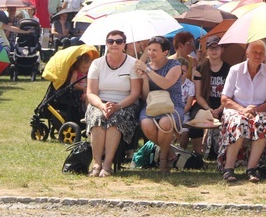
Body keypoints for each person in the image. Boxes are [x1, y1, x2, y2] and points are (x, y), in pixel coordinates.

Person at [84, 30, 142, 177]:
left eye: (118, 41)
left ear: (124, 44)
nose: (114, 44)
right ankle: (96, 163)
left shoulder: (133, 64)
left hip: (125, 103)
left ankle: (107, 165)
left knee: (115, 120)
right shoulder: (97, 64)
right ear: (106, 44)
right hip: (100, 102)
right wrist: (102, 106)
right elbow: (91, 93)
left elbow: (135, 93)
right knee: (98, 118)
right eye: (110, 41)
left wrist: (118, 106)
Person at [218, 41, 266, 183]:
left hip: (258, 110)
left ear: (265, 56)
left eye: (261, 53)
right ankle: (229, 168)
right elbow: (225, 99)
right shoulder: (235, 70)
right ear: (247, 53)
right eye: (254, 52)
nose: (257, 55)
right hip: (236, 109)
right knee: (240, 121)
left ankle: (252, 168)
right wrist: (243, 110)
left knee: (263, 122)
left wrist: (254, 110)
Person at [137, 36, 184, 173]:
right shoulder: (148, 68)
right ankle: (169, 151)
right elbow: (145, 96)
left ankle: (163, 159)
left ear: (165, 52)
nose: (151, 53)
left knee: (165, 122)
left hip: (173, 104)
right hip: (152, 104)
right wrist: (145, 79)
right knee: (146, 125)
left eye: (155, 50)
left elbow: (165, 83)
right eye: (149, 49)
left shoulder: (174, 65)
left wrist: (148, 71)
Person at [191, 35, 231, 154]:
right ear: (207, 50)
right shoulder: (200, 69)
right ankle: (198, 153)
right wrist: (208, 109)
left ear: (222, 50)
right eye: (211, 48)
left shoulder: (229, 69)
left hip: (223, 104)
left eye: (217, 47)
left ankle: (222, 151)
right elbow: (198, 95)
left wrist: (219, 110)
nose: (214, 51)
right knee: (195, 119)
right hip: (204, 103)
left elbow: (230, 95)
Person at [176, 58, 196, 151]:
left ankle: (181, 152)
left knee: (185, 132)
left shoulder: (190, 85)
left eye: (183, 71)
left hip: (183, 112)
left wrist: (179, 114)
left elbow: (188, 105)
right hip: (169, 111)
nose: (180, 74)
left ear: (187, 71)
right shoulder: (169, 83)